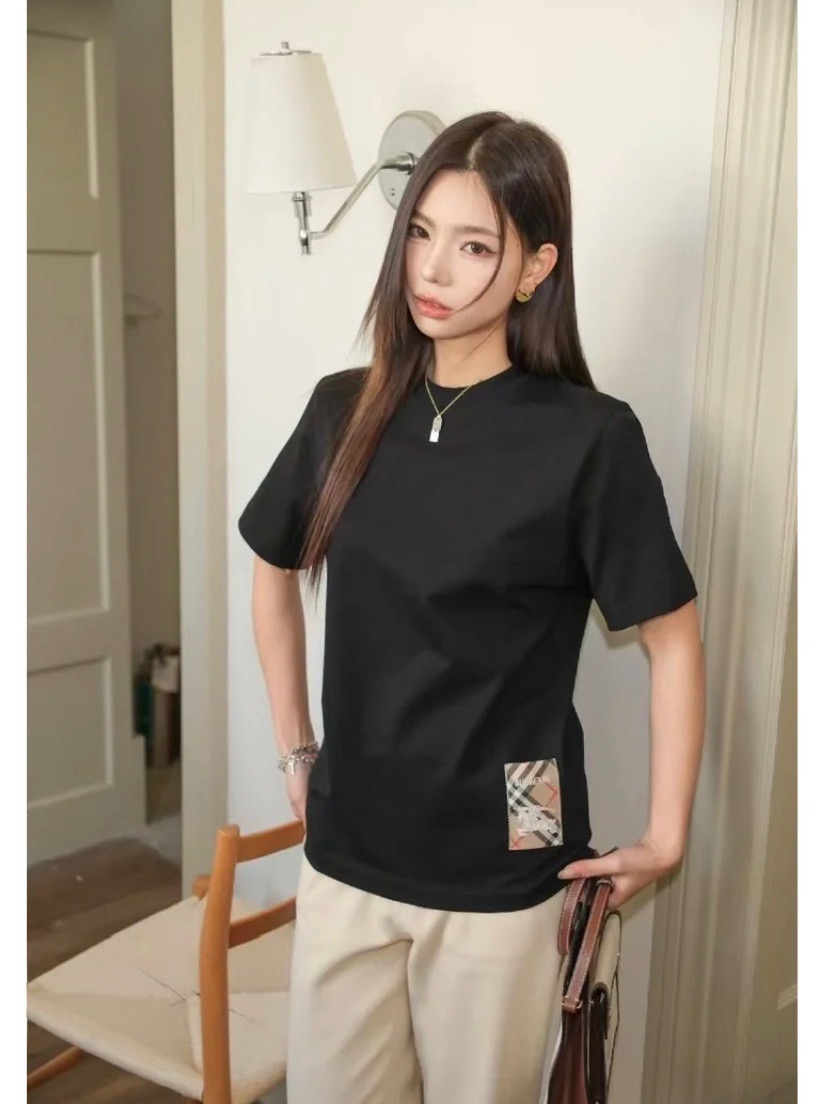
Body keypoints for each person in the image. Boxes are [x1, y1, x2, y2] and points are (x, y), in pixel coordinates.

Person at [238, 111, 706, 1104]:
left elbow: (674, 641)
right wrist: (295, 748)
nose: (432, 269)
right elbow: (272, 568)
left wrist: (667, 835)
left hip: (507, 859)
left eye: (474, 246)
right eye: (420, 232)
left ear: (536, 267)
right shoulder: (342, 410)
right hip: (350, 850)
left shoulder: (589, 440)